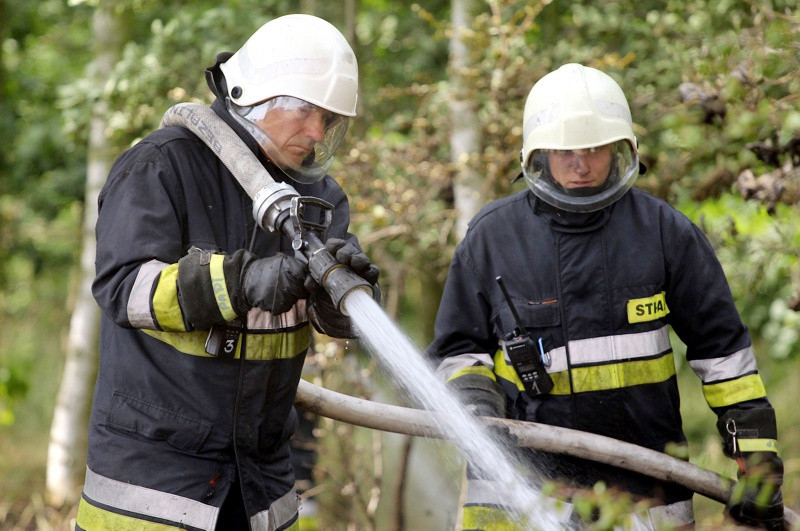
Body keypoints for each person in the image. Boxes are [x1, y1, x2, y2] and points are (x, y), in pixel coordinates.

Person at [428, 63, 783, 529]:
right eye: (566, 152)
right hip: (517, 491)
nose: (581, 165)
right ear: (537, 155)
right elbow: (457, 349)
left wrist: (755, 459)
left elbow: (724, 355)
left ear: (622, 150)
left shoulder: (664, 233)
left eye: (595, 149)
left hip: (644, 492)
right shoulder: (493, 239)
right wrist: (475, 406)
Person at [76, 14, 379, 531]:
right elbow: (126, 289)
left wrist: (347, 298)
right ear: (256, 95)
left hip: (261, 486)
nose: (316, 132)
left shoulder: (319, 201)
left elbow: (339, 324)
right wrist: (241, 284)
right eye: (305, 110)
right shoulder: (163, 167)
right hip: (154, 486)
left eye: (328, 119)